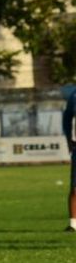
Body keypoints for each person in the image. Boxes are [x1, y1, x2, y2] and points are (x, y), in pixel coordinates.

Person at [62, 84, 76, 232]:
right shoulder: (74, 96)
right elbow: (67, 119)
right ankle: (73, 224)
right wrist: (68, 139)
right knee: (74, 187)